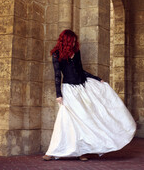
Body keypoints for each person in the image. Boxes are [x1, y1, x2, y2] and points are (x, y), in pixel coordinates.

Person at [43, 29, 136, 161]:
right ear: (66, 41)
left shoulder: (76, 52)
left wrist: (97, 79)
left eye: (75, 40)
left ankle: (82, 151)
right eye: (72, 40)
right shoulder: (56, 54)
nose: (75, 42)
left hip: (82, 87)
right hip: (69, 90)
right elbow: (57, 75)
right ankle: (51, 151)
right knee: (65, 120)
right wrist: (58, 94)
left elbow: (81, 70)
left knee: (84, 119)